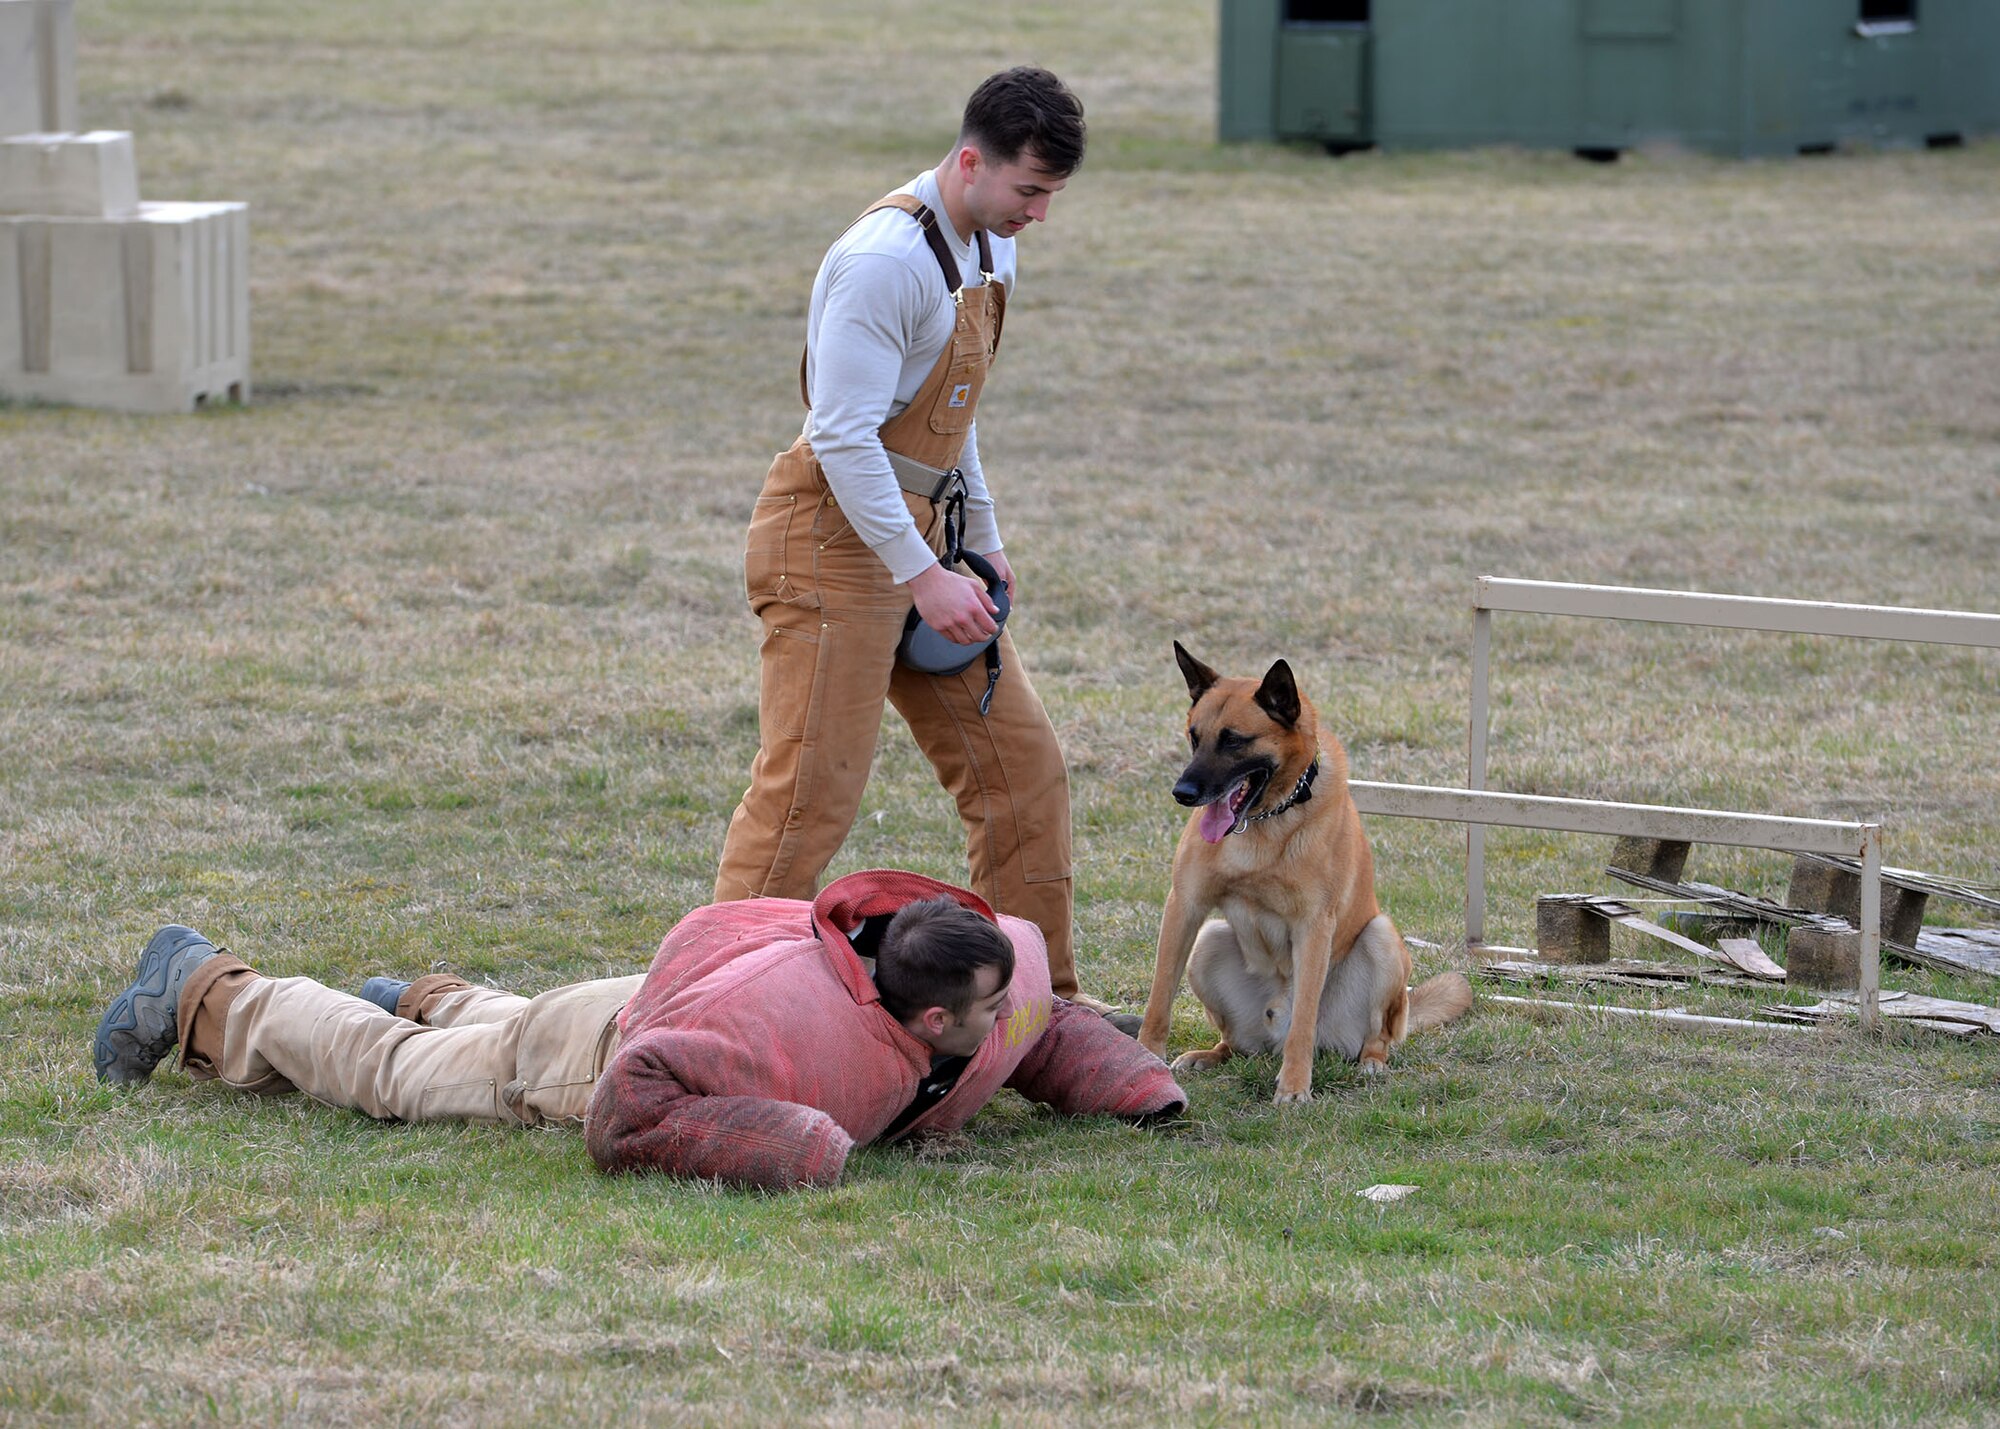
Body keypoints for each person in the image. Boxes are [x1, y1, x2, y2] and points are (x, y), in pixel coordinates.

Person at [713, 67, 1107, 1012]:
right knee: (810, 799)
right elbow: (845, 436)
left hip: (921, 541)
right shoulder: (886, 260)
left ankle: (1036, 1014)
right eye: (1029, 190)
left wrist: (984, 539)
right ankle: (708, 1005)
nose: (1040, 214)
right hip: (829, 544)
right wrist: (923, 576)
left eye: (1052, 194)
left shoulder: (989, 248)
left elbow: (950, 411)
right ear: (971, 162)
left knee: (1024, 773)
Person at [92, 870, 1187, 1190]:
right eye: (986, 1014)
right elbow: (629, 1109)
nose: (1011, 1020)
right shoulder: (804, 1047)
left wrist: (1140, 1087)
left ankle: (420, 989)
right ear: (931, 1015)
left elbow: (1039, 1024)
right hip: (611, 1051)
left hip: (651, 997)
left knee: (515, 1025)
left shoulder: (947, 968)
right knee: (394, 1077)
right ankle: (206, 987)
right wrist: (795, 1146)